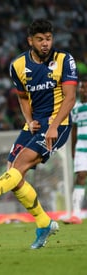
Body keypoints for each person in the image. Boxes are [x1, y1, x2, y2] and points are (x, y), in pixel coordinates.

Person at [0, 19, 78, 249]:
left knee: (18, 167)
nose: (45, 44)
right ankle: (44, 223)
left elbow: (70, 97)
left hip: (59, 124)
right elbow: (23, 97)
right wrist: (29, 120)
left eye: (49, 39)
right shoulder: (18, 65)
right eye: (40, 39)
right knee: (13, 177)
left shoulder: (65, 60)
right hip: (35, 125)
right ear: (30, 41)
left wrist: (53, 126)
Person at [63, 78, 87, 224]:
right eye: (82, 88)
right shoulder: (76, 107)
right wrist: (72, 149)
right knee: (81, 176)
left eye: (86, 88)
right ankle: (76, 214)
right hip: (81, 148)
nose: (84, 90)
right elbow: (74, 130)